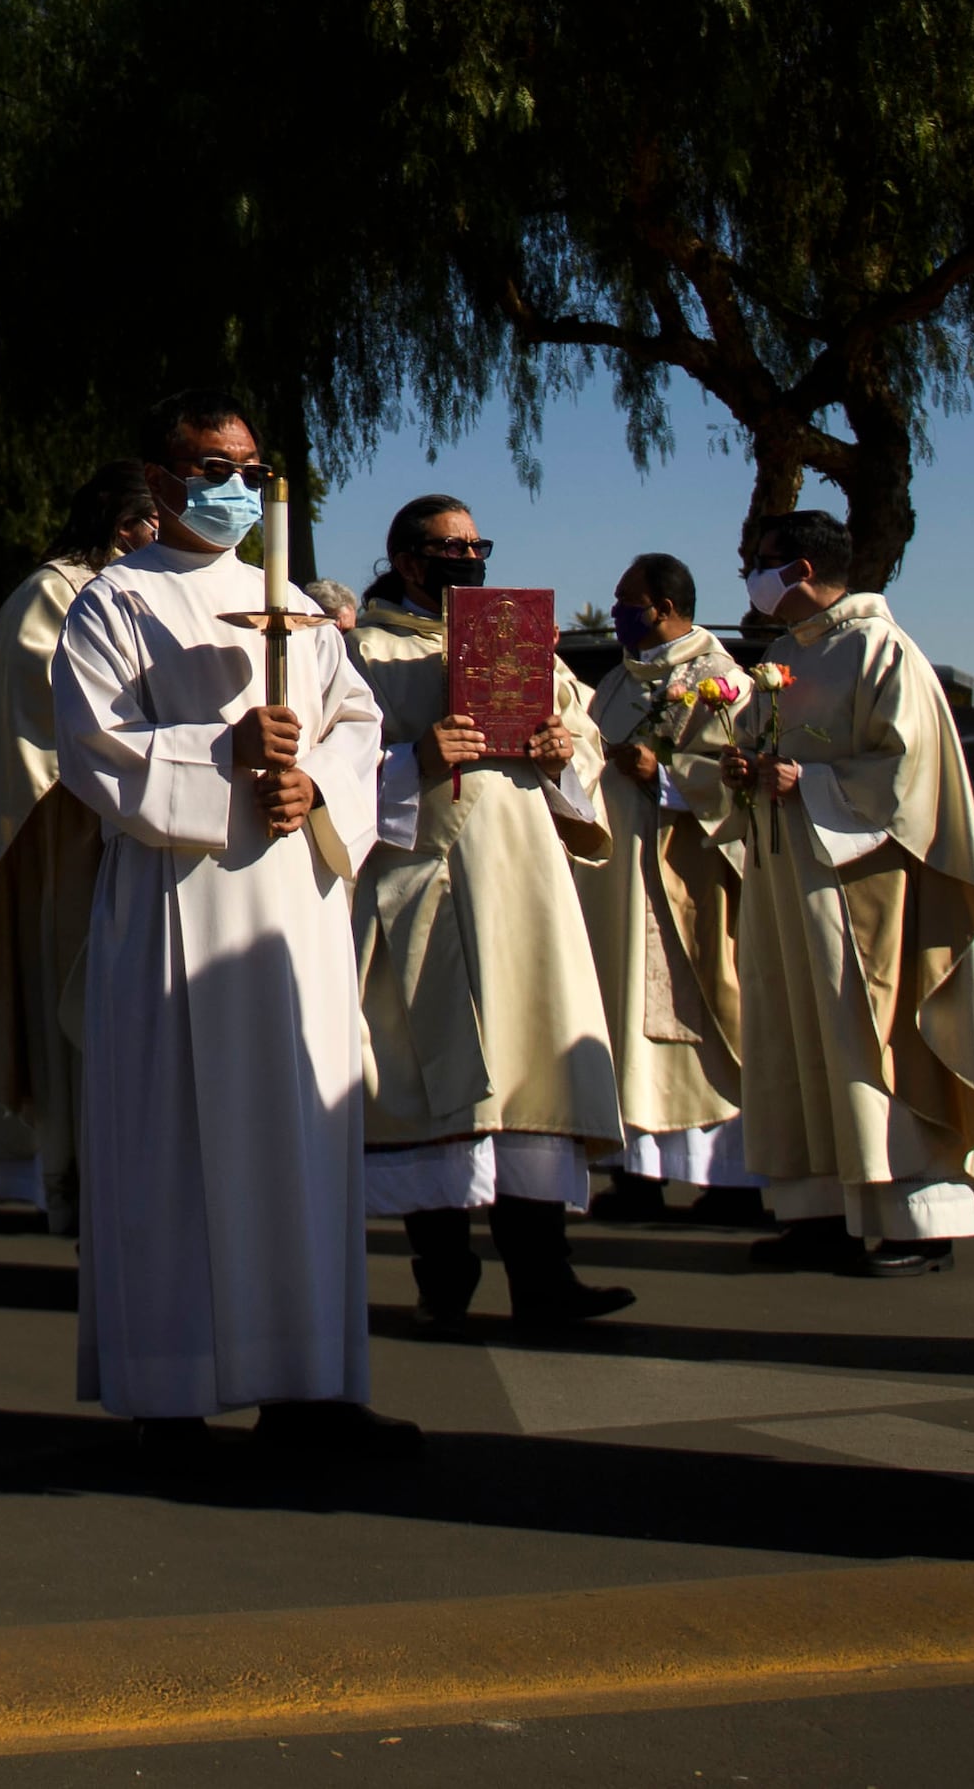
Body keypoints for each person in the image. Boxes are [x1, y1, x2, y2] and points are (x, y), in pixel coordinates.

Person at [55, 389, 408, 1460]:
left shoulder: (293, 604)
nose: (233, 490)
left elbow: (353, 723)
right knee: (173, 1148)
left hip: (289, 909)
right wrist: (226, 764)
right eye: (210, 469)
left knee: (296, 1140)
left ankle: (306, 1387)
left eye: (249, 471)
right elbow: (94, 754)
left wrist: (318, 792)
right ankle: (170, 1398)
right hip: (175, 903)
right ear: (159, 481)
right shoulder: (110, 604)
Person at [726, 511, 974, 1278]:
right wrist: (746, 770)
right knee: (797, 1038)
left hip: (863, 887)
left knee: (869, 1036)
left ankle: (915, 1217)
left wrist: (812, 783)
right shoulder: (781, 654)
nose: (751, 575)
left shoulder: (881, 649)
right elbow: (760, 746)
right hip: (789, 879)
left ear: (800, 568)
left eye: (761, 562)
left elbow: (910, 775)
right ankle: (821, 1213)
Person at [350, 496, 634, 1333]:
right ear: (408, 560)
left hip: (524, 888)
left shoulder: (524, 643)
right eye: (451, 547)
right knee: (432, 1077)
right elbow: (337, 768)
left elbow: (583, 739)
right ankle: (443, 1270)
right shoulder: (363, 651)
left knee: (528, 1074)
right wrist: (413, 758)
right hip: (426, 880)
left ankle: (545, 1276)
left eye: (478, 545)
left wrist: (560, 754)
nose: (470, 558)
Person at [0, 461, 157, 1226]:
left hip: (161, 844)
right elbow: (52, 731)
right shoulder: (54, 594)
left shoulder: (148, 588)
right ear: (127, 527)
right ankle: (93, 1200)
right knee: (89, 1031)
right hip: (83, 850)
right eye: (158, 519)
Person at [581, 553, 760, 1226]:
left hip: (687, 879)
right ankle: (639, 1174)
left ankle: (732, 1181)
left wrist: (669, 773)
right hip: (618, 878)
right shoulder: (619, 683)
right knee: (623, 1016)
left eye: (627, 599)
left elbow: (743, 779)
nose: (619, 609)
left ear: (661, 605)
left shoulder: (721, 680)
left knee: (705, 1021)